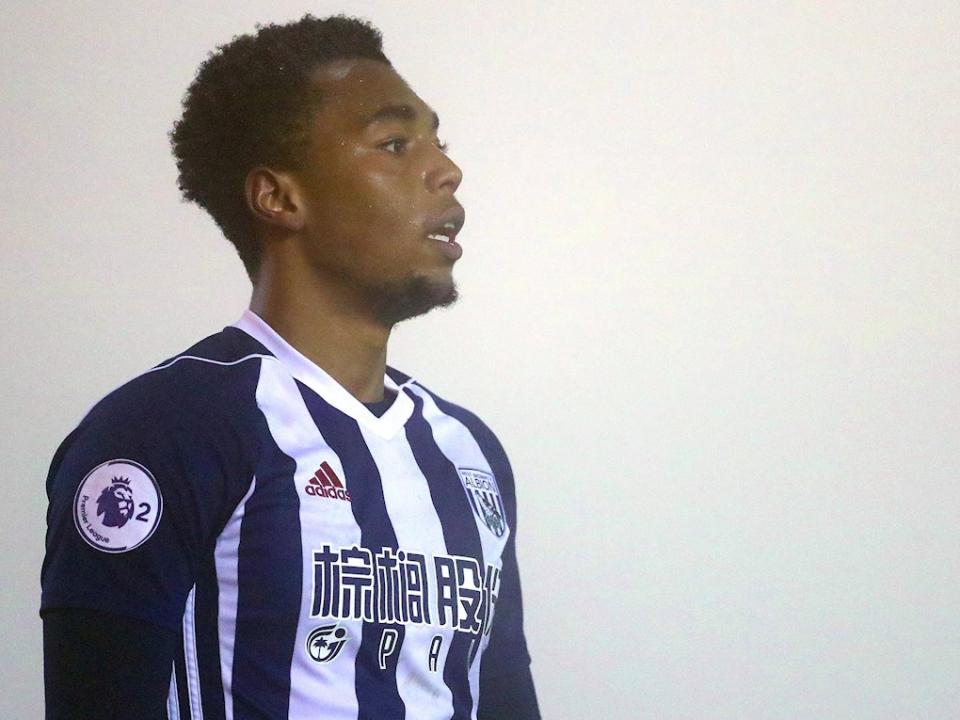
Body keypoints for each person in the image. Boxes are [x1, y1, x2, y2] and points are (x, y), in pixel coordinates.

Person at [41, 14, 540, 720]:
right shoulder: (165, 431)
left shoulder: (467, 452)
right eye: (395, 144)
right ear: (279, 198)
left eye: (440, 142)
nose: (446, 170)